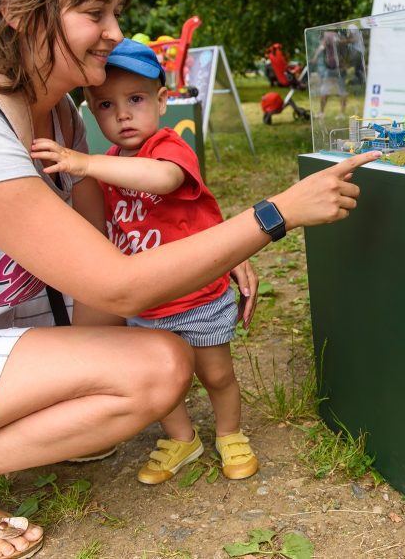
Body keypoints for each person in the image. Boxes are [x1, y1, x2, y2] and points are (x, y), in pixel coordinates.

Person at [0, 0, 378, 559]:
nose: (116, 33)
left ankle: (6, 429)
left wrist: (212, 250)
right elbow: (120, 285)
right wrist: (273, 216)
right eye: (96, 14)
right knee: (157, 367)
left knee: (124, 376)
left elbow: (107, 244)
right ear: (21, 10)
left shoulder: (63, 118)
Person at [30, 38, 260, 484]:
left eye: (135, 100)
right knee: (163, 383)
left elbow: (164, 179)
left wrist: (87, 163)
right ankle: (182, 438)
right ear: (91, 112)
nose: (122, 115)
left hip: (196, 295)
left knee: (216, 373)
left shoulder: (168, 148)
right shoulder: (112, 161)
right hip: (148, 298)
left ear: (162, 100)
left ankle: (230, 432)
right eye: (105, 105)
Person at [313, 30, 347, 118]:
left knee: (325, 90)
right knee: (341, 91)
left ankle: (321, 112)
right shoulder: (339, 35)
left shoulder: (327, 34)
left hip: (333, 68)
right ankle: (341, 113)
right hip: (339, 68)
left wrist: (315, 57)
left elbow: (322, 46)